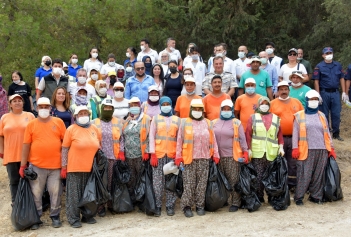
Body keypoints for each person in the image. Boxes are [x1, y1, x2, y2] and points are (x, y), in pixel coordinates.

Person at [20, 97, 66, 229]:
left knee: (55, 192)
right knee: (36, 192)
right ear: (36, 108)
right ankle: (36, 217)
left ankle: (55, 216)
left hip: (55, 166)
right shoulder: (31, 124)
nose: (44, 109)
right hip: (36, 165)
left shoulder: (58, 122)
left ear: (50, 108)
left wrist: (64, 165)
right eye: (41, 107)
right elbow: (26, 146)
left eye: (47, 106)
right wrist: (23, 165)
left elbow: (65, 145)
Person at [175, 99, 219, 217]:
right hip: (188, 159)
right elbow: (179, 140)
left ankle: (200, 205)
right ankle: (187, 206)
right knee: (189, 184)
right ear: (191, 110)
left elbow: (213, 140)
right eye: (195, 109)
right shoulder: (184, 122)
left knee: (202, 184)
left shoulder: (208, 123)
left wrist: (216, 154)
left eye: (200, 109)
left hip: (204, 158)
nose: (197, 111)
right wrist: (178, 156)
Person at [292, 89, 335, 205]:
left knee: (318, 174)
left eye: (315, 99)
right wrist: (295, 147)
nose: (313, 101)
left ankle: (316, 196)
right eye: (311, 99)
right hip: (306, 149)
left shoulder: (321, 115)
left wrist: (331, 149)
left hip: (322, 148)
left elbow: (327, 132)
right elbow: (295, 133)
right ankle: (299, 197)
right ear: (306, 101)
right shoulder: (299, 115)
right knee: (304, 174)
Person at [61, 105, 101, 228]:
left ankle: (87, 215)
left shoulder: (94, 128)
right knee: (74, 195)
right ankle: (73, 218)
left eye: (85, 113)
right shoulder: (71, 129)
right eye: (80, 114)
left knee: (88, 193)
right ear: (76, 116)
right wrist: (64, 166)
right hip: (74, 167)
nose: (83, 115)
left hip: (90, 168)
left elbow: (98, 146)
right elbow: (65, 149)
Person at [245, 96, 284, 203]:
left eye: (267, 103)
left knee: (271, 176)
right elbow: (248, 134)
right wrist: (248, 149)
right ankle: (259, 196)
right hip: (258, 152)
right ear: (258, 105)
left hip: (272, 152)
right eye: (262, 103)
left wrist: (281, 147)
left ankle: (271, 196)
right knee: (259, 176)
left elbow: (279, 134)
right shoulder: (253, 117)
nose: (264, 105)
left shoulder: (276, 118)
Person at [213, 99, 249, 212]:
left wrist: (245, 152)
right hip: (217, 156)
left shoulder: (236, 122)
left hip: (232, 156)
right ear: (221, 110)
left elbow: (242, 139)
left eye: (228, 109)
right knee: (221, 180)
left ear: (232, 110)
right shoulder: (214, 122)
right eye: (224, 109)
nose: (226, 111)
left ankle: (235, 202)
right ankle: (223, 200)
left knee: (233, 180)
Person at [0, 94, 35, 205]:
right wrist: (1, 151)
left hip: (28, 153)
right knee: (14, 180)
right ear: (10, 104)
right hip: (11, 153)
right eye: (14, 101)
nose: (17, 102)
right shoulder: (4, 117)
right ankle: (16, 203)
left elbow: (36, 133)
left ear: (23, 103)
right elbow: (1, 135)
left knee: (29, 179)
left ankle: (30, 203)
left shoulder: (29, 115)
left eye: (19, 100)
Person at [149, 96, 180, 216]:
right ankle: (157, 206)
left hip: (172, 155)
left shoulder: (177, 120)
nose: (166, 106)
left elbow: (179, 139)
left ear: (171, 105)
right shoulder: (155, 119)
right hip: (159, 154)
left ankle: (170, 205)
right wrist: (153, 154)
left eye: (168, 104)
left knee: (171, 182)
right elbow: (151, 136)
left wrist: (178, 155)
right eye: (164, 104)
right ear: (160, 106)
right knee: (158, 182)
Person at [91, 98, 123, 216]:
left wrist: (121, 152)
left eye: (110, 108)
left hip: (113, 157)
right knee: (101, 182)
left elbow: (121, 138)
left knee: (111, 182)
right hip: (100, 158)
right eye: (106, 108)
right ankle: (100, 206)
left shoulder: (118, 122)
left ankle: (111, 204)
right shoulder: (94, 122)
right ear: (102, 109)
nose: (108, 110)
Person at [270, 81, 304, 190]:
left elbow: (302, 119)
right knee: (279, 161)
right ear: (278, 91)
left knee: (293, 163)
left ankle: (292, 185)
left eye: (285, 89)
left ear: (289, 90)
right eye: (281, 89)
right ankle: (280, 184)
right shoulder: (272, 103)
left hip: (294, 138)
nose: (283, 91)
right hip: (278, 138)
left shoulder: (297, 102)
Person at [120, 97, 151, 205]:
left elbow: (149, 136)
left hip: (140, 154)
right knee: (131, 179)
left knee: (141, 178)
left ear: (140, 106)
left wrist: (147, 151)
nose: (134, 107)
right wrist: (122, 151)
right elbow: (122, 136)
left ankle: (142, 200)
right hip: (128, 155)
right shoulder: (127, 120)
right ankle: (133, 200)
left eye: (136, 105)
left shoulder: (146, 119)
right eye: (132, 105)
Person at [313, 47, 347, 141]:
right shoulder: (319, 66)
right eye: (326, 53)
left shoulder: (338, 65)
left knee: (336, 114)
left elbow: (342, 78)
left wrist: (344, 92)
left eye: (330, 52)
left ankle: (336, 134)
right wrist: (318, 94)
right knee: (324, 114)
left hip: (335, 92)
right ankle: (326, 134)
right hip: (324, 92)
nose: (328, 54)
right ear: (323, 55)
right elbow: (316, 81)